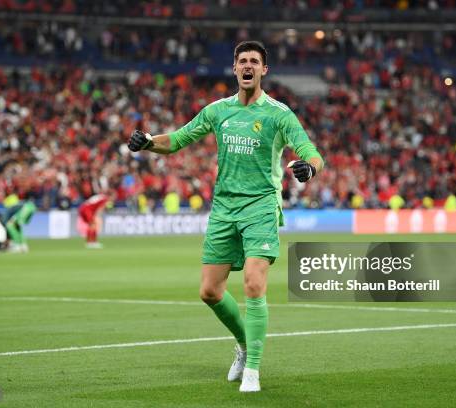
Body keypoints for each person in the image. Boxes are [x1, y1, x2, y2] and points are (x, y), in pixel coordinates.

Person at [127, 41, 324, 392]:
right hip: (224, 208)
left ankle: (254, 371)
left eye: (255, 62)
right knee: (209, 291)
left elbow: (310, 151)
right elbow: (178, 139)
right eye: (242, 61)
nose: (248, 66)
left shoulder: (279, 114)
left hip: (261, 206)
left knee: (253, 282)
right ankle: (245, 347)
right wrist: (147, 143)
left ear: (264, 70)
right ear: (234, 69)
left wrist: (310, 168)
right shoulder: (218, 111)